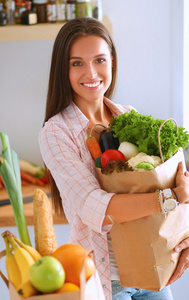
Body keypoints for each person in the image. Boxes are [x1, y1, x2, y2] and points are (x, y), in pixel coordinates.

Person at [38, 17, 189, 300]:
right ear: (63, 69)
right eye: (77, 63)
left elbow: (177, 183)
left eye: (99, 60)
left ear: (112, 62)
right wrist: (170, 198)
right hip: (104, 279)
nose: (91, 72)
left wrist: (185, 234)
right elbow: (93, 207)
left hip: (154, 267)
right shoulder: (56, 133)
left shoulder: (128, 116)